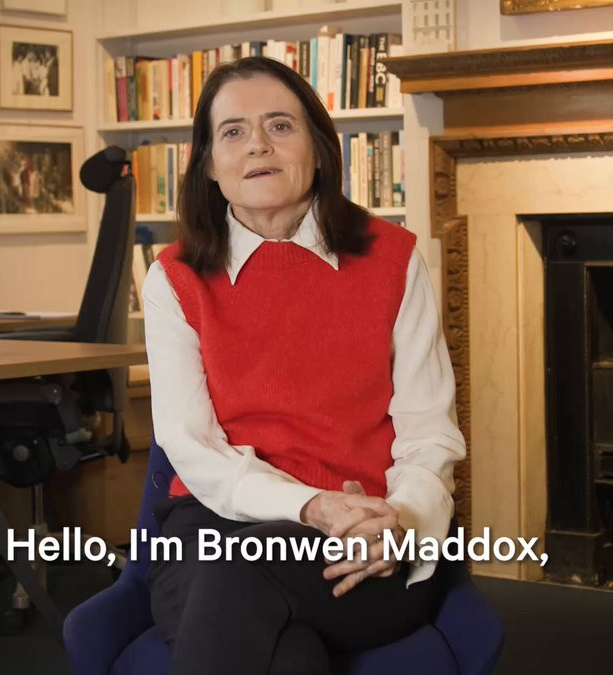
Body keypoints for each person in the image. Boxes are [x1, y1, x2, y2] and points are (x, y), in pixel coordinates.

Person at [143, 56, 466, 675]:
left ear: (318, 148)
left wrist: (398, 521)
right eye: (233, 131)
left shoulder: (394, 259)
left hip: (368, 536)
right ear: (208, 163)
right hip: (215, 527)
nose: (257, 145)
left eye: (280, 126)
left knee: (235, 586)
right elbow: (192, 446)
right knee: (281, 644)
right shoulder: (174, 278)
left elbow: (429, 432)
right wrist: (311, 505)